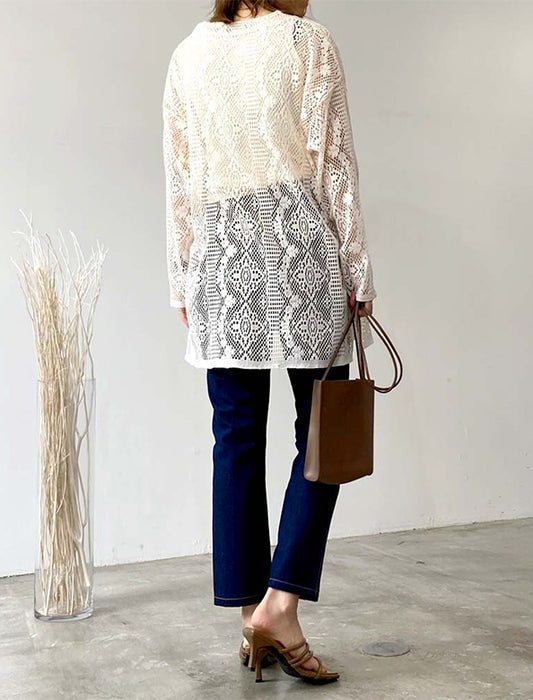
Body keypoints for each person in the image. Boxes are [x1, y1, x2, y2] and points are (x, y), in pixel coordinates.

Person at [162, 0, 377, 684]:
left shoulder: (187, 54)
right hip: (300, 253)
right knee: (325, 434)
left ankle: (251, 614)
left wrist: (182, 281)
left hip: (221, 265)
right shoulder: (306, 41)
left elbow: (180, 182)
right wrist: (358, 270)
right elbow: (334, 167)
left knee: (234, 438)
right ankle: (279, 608)